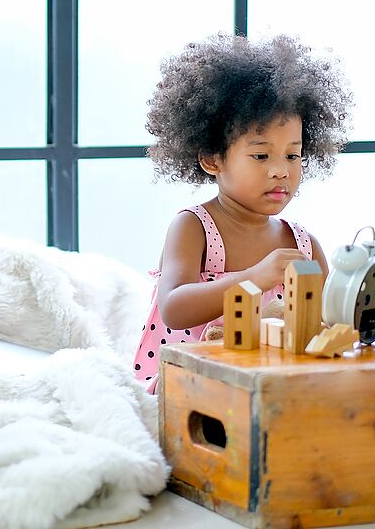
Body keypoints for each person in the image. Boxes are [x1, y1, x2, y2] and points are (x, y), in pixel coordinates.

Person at [132, 34, 352, 393]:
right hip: (188, 389)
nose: (281, 170)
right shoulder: (194, 227)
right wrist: (255, 276)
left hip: (270, 389)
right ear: (212, 159)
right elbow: (174, 307)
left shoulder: (302, 244)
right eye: (262, 156)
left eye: (293, 155)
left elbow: (330, 322)